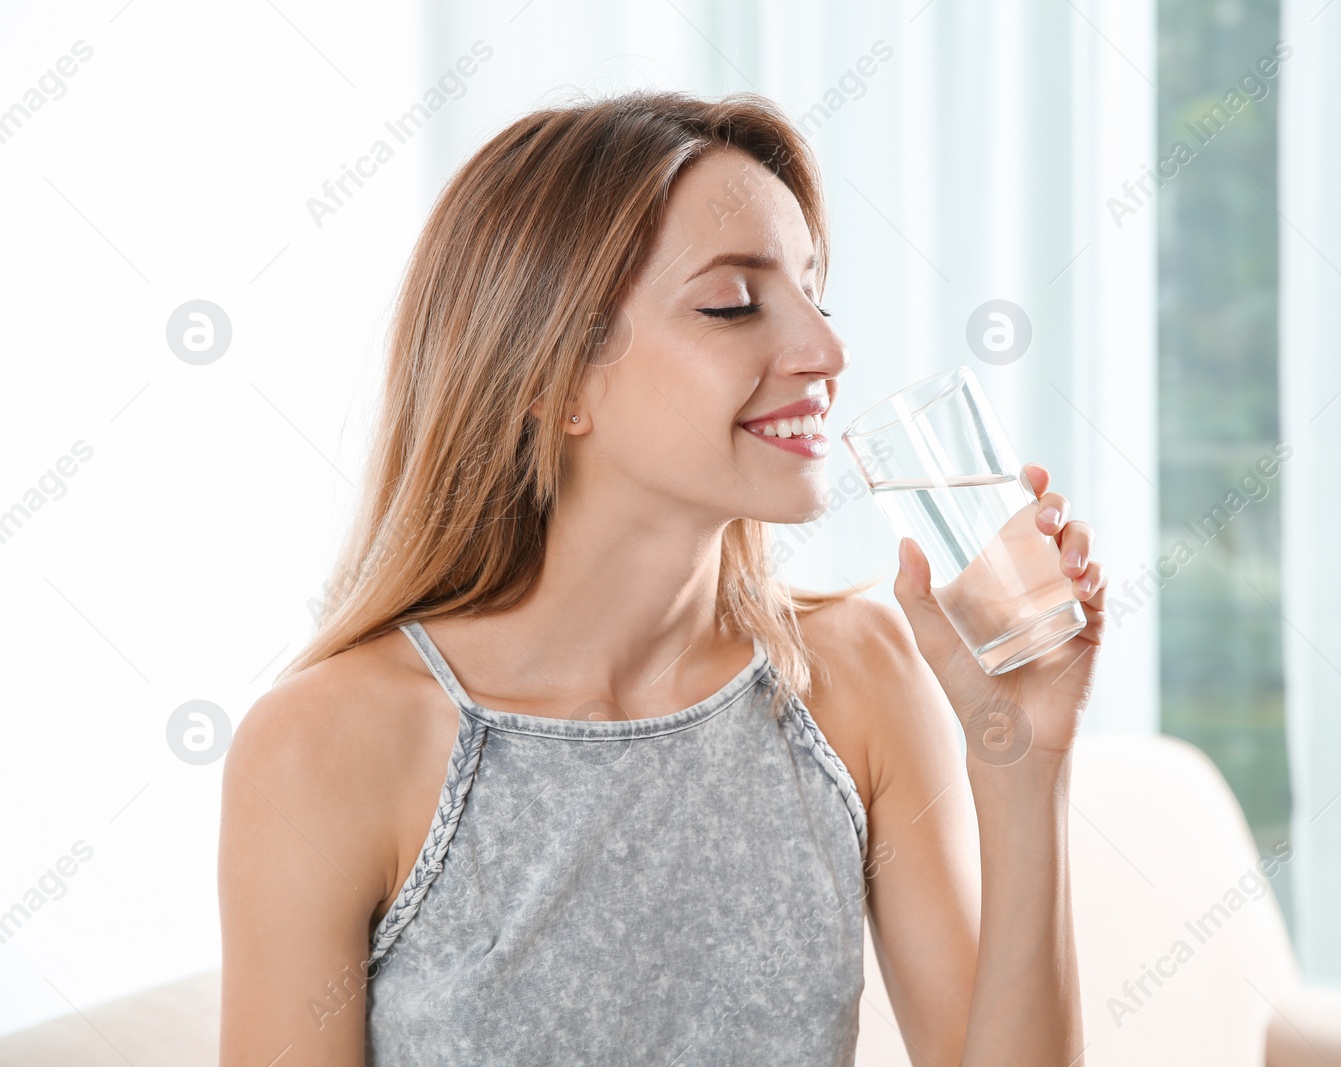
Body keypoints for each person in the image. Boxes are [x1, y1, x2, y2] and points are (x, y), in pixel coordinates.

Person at [217, 89, 1105, 1066]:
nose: (825, 352)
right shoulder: (324, 744)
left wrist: (1022, 770)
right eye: (732, 302)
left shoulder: (857, 677)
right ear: (551, 379)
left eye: (817, 294)